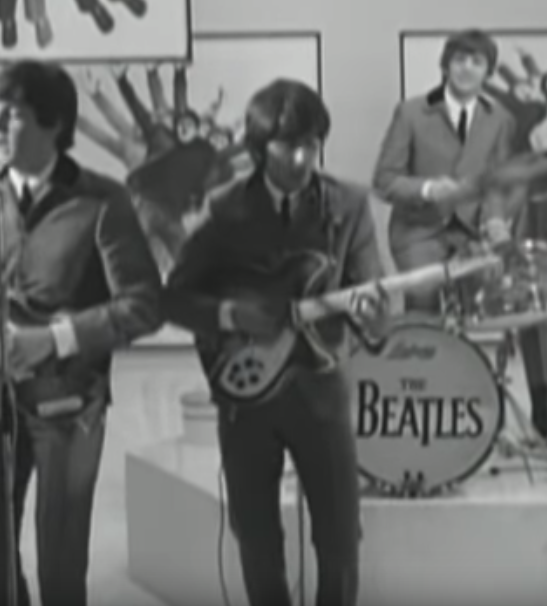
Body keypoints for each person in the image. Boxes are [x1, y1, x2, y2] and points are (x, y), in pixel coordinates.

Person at [0, 61, 162, 606]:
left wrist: (56, 338)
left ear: (54, 124)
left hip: (70, 404)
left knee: (60, 564)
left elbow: (145, 306)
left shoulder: (103, 201)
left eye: (11, 115)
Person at [164, 78, 387, 606]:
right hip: (246, 397)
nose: (303, 158)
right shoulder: (223, 208)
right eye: (289, 147)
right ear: (259, 147)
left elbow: (374, 302)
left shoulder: (349, 204)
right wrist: (228, 314)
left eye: (312, 144)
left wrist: (374, 317)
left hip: (321, 391)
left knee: (340, 540)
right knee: (257, 539)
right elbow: (174, 299)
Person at [373, 28, 547, 439]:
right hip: (420, 231)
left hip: (474, 234)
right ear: (445, 65)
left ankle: (544, 407)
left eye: (477, 62)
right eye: (459, 59)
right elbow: (384, 180)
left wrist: (496, 221)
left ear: (487, 71)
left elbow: (496, 182)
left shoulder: (500, 119)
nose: (467, 68)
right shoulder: (411, 113)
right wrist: (427, 189)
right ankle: (422, 405)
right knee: (425, 301)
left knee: (525, 292)